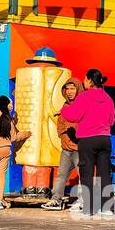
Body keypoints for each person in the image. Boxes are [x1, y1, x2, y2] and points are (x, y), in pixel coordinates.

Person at [59, 69, 115, 216]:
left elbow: (72, 116)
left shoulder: (84, 96)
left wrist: (63, 110)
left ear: (89, 80)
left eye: (85, 79)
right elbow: (112, 120)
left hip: (87, 139)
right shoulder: (108, 98)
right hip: (104, 139)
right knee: (104, 174)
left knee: (87, 173)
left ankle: (89, 208)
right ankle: (107, 207)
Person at [0, 95, 29, 209]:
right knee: (1, 174)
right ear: (4, 105)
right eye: (10, 104)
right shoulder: (8, 119)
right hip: (5, 149)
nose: (11, 106)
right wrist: (25, 134)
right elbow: (14, 137)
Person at [42, 78, 83, 209]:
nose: (70, 92)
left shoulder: (83, 105)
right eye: (67, 89)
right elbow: (60, 125)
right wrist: (62, 137)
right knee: (61, 175)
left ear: (78, 89)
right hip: (66, 149)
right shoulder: (65, 106)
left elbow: (80, 126)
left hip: (79, 148)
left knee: (83, 175)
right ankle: (56, 200)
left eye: (73, 88)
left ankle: (83, 201)